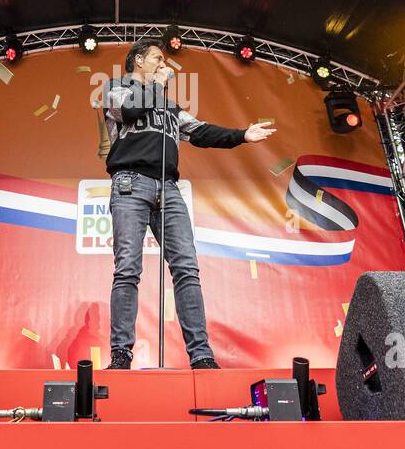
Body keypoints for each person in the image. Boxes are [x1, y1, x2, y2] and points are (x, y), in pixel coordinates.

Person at [102, 39, 275, 370]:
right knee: (128, 269)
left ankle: (201, 354)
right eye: (157, 58)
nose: (163, 64)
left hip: (168, 188)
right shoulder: (116, 89)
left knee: (187, 269)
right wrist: (155, 85)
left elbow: (200, 132)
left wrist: (242, 135)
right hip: (130, 183)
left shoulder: (169, 107)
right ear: (139, 61)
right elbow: (130, 111)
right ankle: (121, 353)